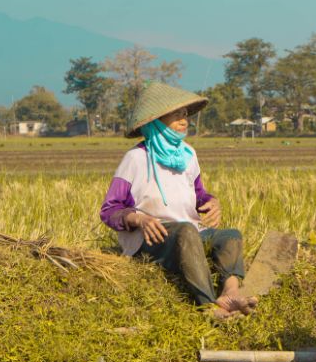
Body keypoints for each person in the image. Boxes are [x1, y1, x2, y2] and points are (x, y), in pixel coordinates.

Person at [100, 82, 257, 319]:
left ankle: (230, 290)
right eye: (176, 115)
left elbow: (198, 193)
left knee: (230, 235)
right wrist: (139, 219)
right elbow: (110, 209)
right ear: (156, 120)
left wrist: (212, 202)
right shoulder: (135, 158)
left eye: (185, 114)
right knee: (185, 232)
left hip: (190, 230)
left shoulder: (187, 154)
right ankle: (209, 305)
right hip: (152, 238)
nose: (184, 120)